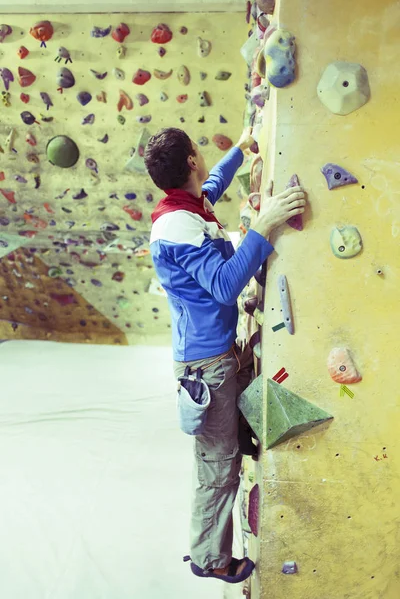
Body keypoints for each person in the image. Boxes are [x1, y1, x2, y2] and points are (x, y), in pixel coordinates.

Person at [144, 127, 306, 584]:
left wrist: (241, 147)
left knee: (225, 455)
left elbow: (212, 184)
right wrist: (265, 225)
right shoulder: (178, 225)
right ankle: (210, 558)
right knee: (218, 468)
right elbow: (223, 285)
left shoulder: (187, 204)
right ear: (191, 160)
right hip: (206, 366)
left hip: (214, 355)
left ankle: (240, 447)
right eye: (200, 152)